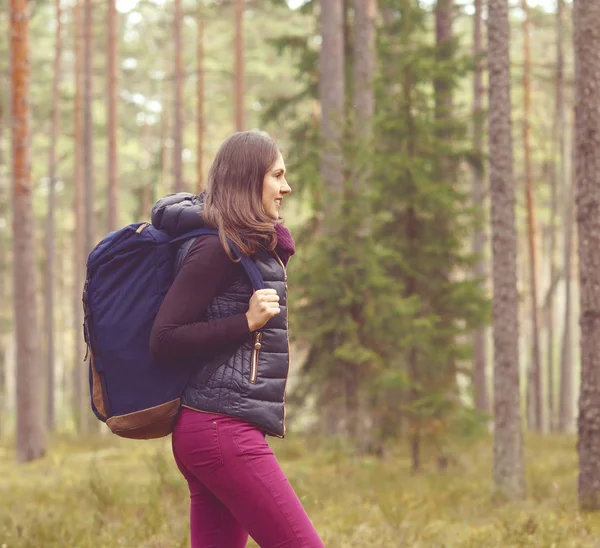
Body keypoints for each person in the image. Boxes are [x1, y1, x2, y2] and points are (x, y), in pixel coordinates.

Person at [149, 131, 325, 548]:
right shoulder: (216, 248)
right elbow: (165, 338)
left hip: (211, 428)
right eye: (277, 175)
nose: (287, 187)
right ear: (250, 179)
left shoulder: (241, 246)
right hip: (220, 429)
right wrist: (245, 322)